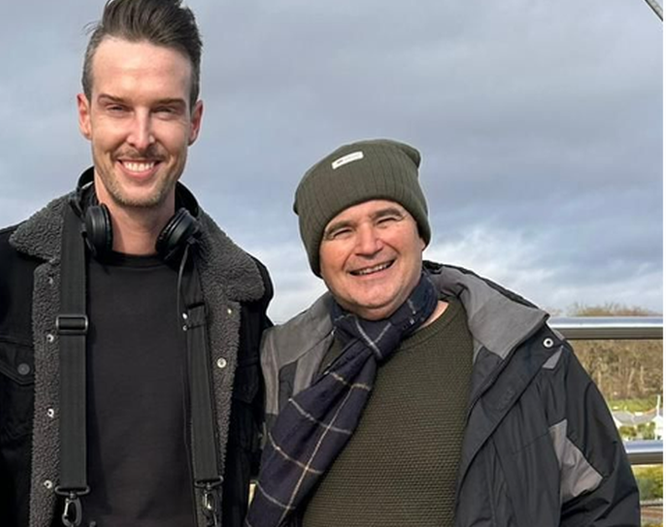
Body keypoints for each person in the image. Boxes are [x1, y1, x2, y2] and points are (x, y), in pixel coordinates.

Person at [0, 0, 273, 527]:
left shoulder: (241, 288)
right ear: (86, 114)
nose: (140, 136)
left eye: (164, 110)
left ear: (194, 121)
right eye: (118, 108)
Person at [247, 139, 639, 527]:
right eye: (341, 231)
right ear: (319, 258)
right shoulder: (282, 363)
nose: (368, 245)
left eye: (387, 219)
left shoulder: (525, 356)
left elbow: (602, 506)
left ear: (420, 233)